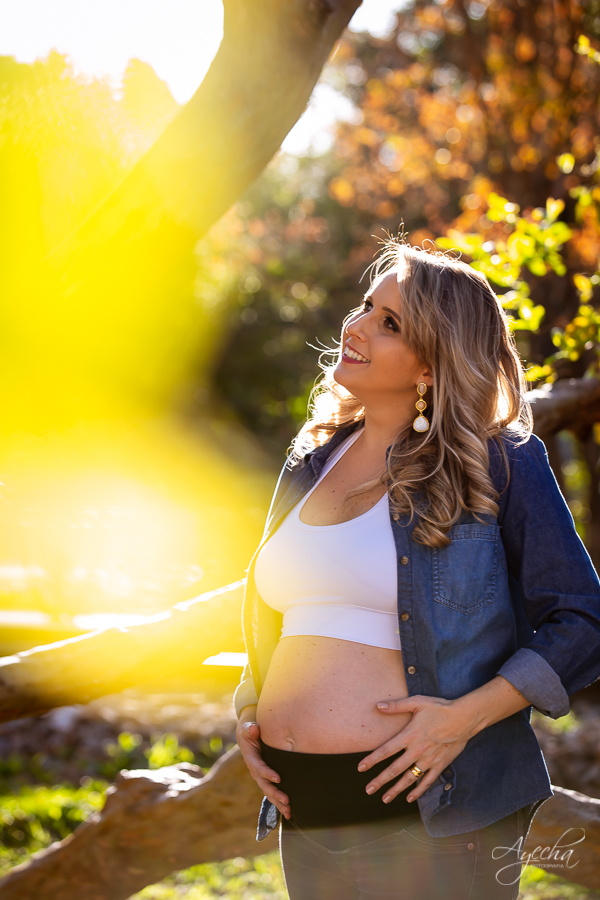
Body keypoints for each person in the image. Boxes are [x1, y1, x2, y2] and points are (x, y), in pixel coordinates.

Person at [233, 238, 600, 900]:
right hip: (305, 813)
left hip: (433, 815)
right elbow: (284, 615)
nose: (357, 327)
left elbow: (582, 618)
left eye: (390, 323)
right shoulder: (308, 465)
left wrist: (463, 718)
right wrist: (252, 712)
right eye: (367, 307)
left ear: (432, 363)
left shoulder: (498, 462)